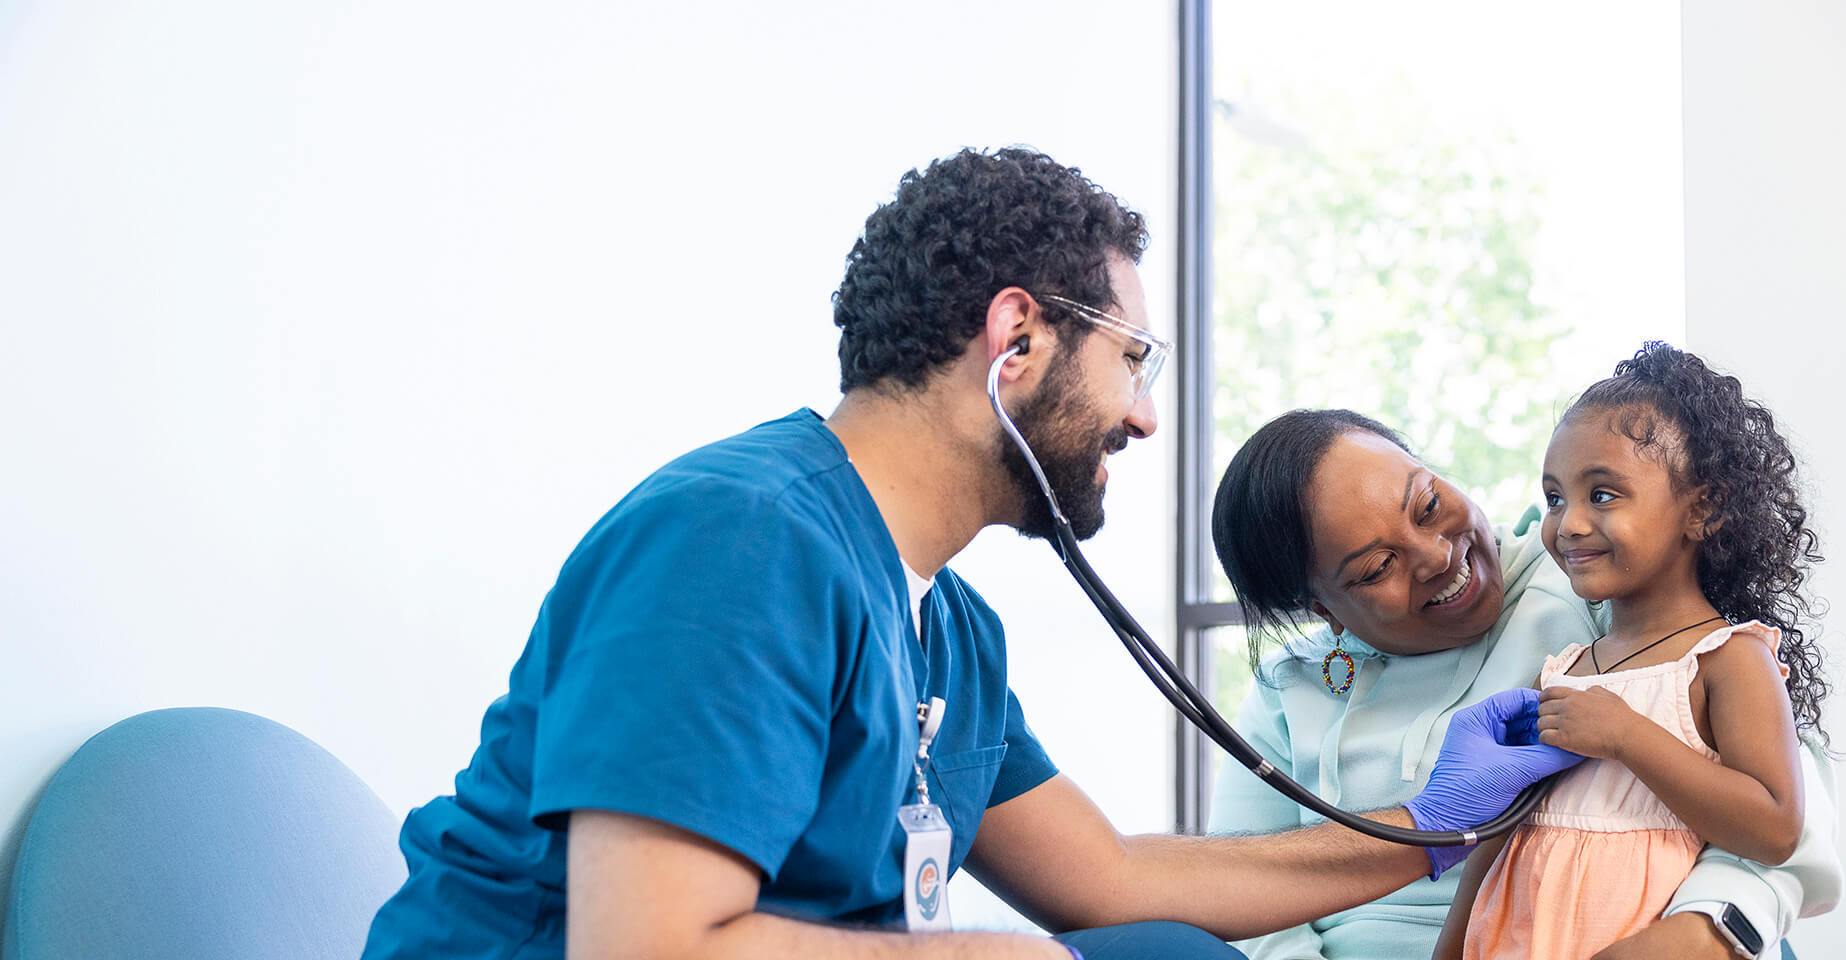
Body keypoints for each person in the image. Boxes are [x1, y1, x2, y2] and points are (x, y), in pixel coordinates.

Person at [357, 147, 1578, 960]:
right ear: (1018, 341)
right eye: (1133, 361)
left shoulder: (949, 629)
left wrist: (1425, 826)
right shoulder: (743, 541)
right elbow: (651, 944)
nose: (1145, 417)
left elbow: (1106, 881)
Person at [1208, 407, 1840, 960]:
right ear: (1323, 610)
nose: (1436, 555)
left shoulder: (1589, 584)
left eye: (1428, 505)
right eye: (1378, 568)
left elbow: (1781, 798)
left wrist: (1711, 927)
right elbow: (1246, 900)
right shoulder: (1285, 691)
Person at [1432, 344, 1832, 960]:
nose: (1567, 525)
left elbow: (1777, 828)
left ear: (1704, 509)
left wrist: (1628, 736)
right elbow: (1500, 836)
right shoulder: (1565, 669)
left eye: (1603, 495)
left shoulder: (1728, 660)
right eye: (1556, 497)